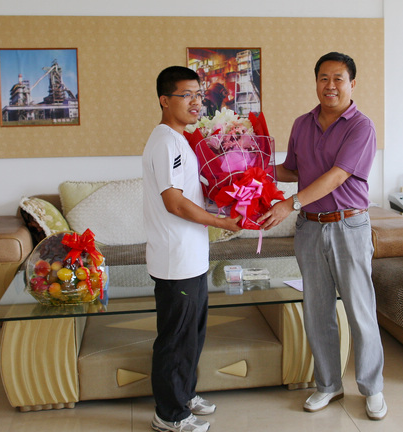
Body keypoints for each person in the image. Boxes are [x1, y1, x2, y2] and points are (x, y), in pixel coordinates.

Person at [260, 52, 387, 421]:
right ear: (316, 82)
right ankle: (329, 385)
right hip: (310, 228)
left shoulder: (361, 126)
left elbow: (337, 175)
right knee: (317, 312)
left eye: (338, 79)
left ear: (352, 84)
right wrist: (249, 167)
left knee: (360, 310)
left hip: (349, 226)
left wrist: (290, 203)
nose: (330, 86)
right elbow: (292, 169)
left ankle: (372, 389)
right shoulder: (302, 124)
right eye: (323, 78)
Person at [143, 66, 242, 432]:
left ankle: (184, 395)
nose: (196, 102)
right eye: (187, 95)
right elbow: (174, 203)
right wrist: (221, 222)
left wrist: (222, 205)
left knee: (192, 336)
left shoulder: (181, 140)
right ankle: (168, 415)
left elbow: (191, 196)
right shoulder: (166, 142)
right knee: (175, 339)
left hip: (191, 257)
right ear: (164, 100)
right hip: (175, 259)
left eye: (198, 95)